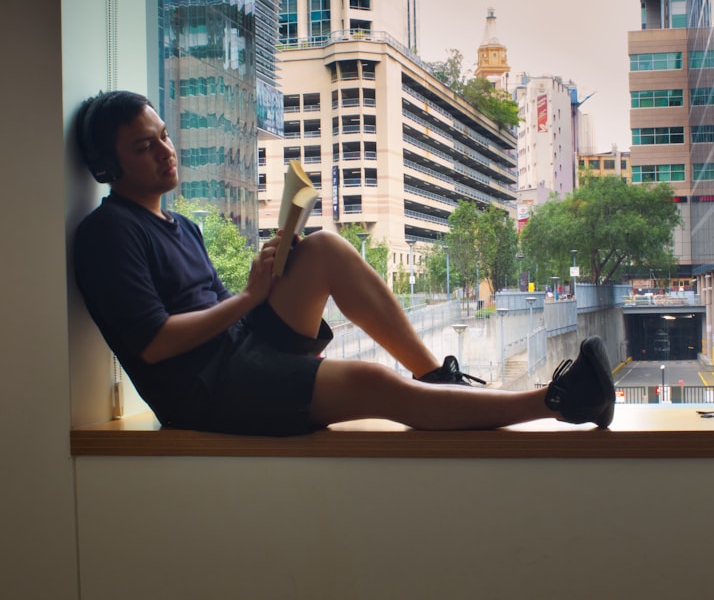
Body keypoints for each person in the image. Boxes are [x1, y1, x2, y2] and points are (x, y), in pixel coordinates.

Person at [72, 90, 615, 436]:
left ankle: (436, 378)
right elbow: (155, 342)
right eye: (145, 147)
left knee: (325, 248)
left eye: (164, 136)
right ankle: (561, 402)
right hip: (208, 394)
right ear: (106, 166)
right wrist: (248, 298)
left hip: (238, 352)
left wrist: (274, 266)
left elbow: (223, 312)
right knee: (374, 381)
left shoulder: (181, 225)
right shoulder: (108, 233)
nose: (166, 150)